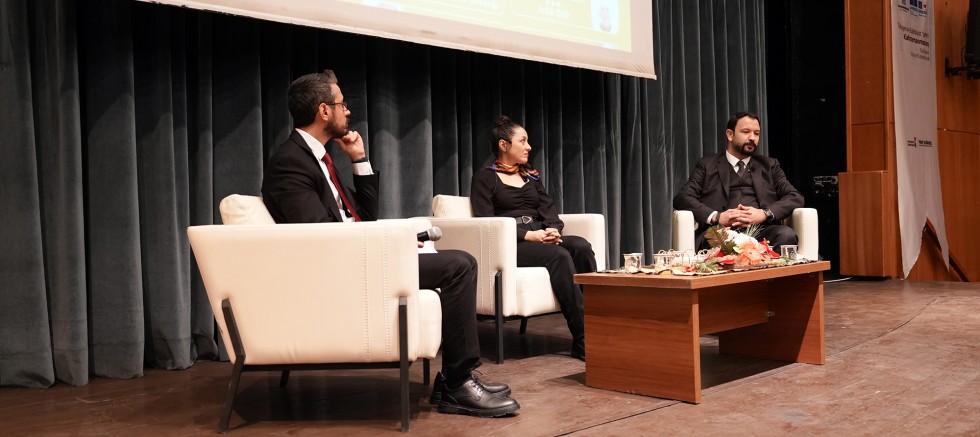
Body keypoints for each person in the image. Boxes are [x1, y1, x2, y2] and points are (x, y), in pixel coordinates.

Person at [261, 70, 519, 417]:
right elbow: (321, 237)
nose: (347, 111)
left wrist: (358, 159)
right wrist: (388, 247)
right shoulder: (290, 163)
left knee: (462, 260)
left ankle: (455, 378)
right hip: (341, 268)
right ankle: (457, 385)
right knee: (458, 265)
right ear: (324, 111)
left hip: (357, 255)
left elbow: (365, 216)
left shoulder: (318, 159)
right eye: (342, 104)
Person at [469, 116, 596, 361]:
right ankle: (582, 338)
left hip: (539, 234)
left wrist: (553, 230)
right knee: (558, 256)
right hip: (510, 243)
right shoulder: (485, 177)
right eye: (523, 141)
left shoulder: (531, 176)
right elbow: (486, 222)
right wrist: (527, 235)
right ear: (504, 145)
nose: (529, 147)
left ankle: (599, 323)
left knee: (580, 246)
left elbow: (548, 209)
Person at [673, 111, 804, 251]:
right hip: (721, 232)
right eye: (746, 132)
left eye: (756, 133)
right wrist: (717, 217)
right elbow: (682, 197)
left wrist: (764, 213)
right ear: (730, 134)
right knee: (720, 240)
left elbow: (795, 197)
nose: (752, 138)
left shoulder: (769, 165)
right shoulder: (707, 165)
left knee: (786, 235)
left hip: (762, 231)